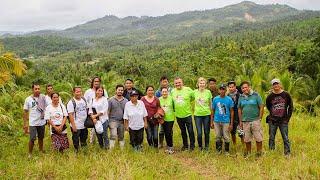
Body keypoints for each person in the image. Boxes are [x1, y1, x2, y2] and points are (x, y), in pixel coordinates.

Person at [266, 78, 293, 156]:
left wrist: (288, 118)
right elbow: (268, 106)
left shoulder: (286, 94)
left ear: (280, 84)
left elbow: (290, 107)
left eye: (277, 84)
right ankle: (271, 152)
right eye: (274, 84)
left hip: (283, 120)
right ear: (272, 86)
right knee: (271, 137)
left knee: (285, 137)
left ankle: (287, 153)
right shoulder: (270, 96)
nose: (276, 85)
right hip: (272, 120)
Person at [238, 81, 264, 157]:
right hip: (245, 121)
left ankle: (259, 153)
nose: (244, 89)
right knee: (247, 139)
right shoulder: (241, 97)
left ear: (249, 87)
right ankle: (248, 153)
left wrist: (260, 118)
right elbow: (239, 109)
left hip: (255, 120)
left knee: (258, 138)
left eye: (246, 87)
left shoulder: (256, 95)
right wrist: (240, 121)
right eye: (243, 88)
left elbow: (261, 106)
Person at [171, 77, 195, 151]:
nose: (178, 84)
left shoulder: (188, 89)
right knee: (183, 131)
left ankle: (192, 145)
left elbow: (193, 97)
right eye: (176, 83)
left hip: (187, 114)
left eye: (179, 82)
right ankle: (185, 145)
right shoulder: (172, 91)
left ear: (182, 83)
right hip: (178, 115)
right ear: (174, 84)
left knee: (190, 130)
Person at [23, 83, 46, 157]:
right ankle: (30, 153)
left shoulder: (43, 97)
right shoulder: (28, 99)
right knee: (32, 139)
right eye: (36, 89)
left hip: (41, 122)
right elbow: (25, 112)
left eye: (38, 89)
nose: (37, 90)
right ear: (32, 89)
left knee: (41, 138)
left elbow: (48, 107)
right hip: (32, 123)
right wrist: (25, 124)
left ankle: (41, 150)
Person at [211, 84, 234, 154]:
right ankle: (218, 150)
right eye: (220, 89)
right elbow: (212, 110)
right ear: (218, 90)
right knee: (218, 136)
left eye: (223, 89)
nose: (222, 91)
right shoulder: (215, 99)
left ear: (226, 90)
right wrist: (211, 122)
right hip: (217, 120)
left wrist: (231, 123)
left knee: (226, 136)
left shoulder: (229, 99)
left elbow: (232, 112)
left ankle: (226, 151)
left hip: (226, 121)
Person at [67, 86, 88, 152]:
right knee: (76, 139)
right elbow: (70, 114)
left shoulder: (84, 99)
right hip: (76, 124)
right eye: (77, 92)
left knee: (84, 138)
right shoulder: (71, 102)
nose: (79, 93)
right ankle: (77, 150)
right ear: (74, 92)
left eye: (80, 91)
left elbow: (86, 109)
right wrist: (73, 125)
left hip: (84, 124)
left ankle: (84, 151)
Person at [193, 77, 212, 151]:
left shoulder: (208, 92)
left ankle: (207, 147)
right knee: (199, 133)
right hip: (197, 115)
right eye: (200, 83)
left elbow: (210, 104)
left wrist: (211, 114)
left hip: (207, 114)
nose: (202, 84)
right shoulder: (194, 92)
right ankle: (200, 146)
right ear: (198, 84)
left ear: (205, 84)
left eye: (203, 83)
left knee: (206, 132)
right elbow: (189, 99)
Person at [108, 84, 128, 149]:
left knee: (121, 136)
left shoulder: (126, 101)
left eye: (122, 90)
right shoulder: (111, 100)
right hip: (112, 120)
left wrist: (126, 123)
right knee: (113, 134)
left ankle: (122, 150)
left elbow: (126, 112)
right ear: (116, 90)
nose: (120, 91)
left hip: (122, 121)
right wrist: (107, 121)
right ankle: (111, 149)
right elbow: (108, 111)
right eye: (119, 90)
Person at [155, 76, 172, 148]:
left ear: (168, 82)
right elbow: (156, 103)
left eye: (165, 81)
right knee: (161, 130)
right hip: (161, 114)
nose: (164, 83)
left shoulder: (172, 90)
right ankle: (160, 143)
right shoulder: (158, 92)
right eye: (162, 82)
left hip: (169, 114)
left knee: (170, 130)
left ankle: (170, 144)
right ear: (160, 83)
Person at [159, 87, 175, 154]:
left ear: (168, 92)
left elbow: (174, 107)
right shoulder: (159, 99)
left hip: (170, 118)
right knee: (165, 133)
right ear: (161, 93)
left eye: (166, 91)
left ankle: (171, 148)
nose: (164, 93)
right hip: (163, 119)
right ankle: (168, 146)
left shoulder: (171, 98)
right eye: (163, 92)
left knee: (168, 133)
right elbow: (158, 108)